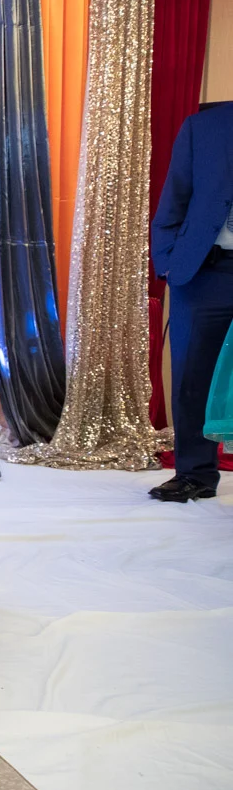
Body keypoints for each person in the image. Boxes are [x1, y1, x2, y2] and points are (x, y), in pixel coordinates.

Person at [149, 100, 233, 502]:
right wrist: (167, 259)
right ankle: (195, 474)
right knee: (192, 375)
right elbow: (175, 196)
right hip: (206, 271)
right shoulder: (203, 126)